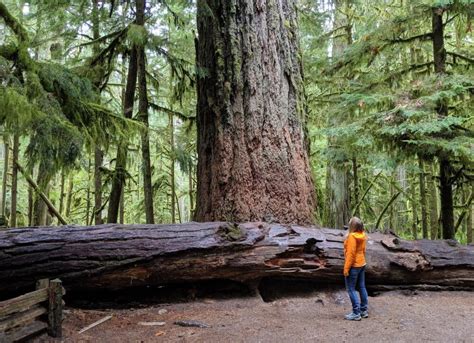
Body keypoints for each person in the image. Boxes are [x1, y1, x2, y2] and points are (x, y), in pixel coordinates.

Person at [343, 216, 368, 321]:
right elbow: (363, 250)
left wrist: (346, 268)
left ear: (352, 226)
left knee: (351, 289)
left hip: (354, 266)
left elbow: (351, 254)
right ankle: (363, 310)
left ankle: (356, 312)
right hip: (362, 263)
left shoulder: (352, 237)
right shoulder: (362, 235)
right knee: (362, 287)